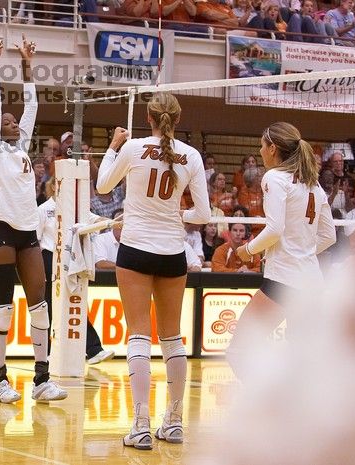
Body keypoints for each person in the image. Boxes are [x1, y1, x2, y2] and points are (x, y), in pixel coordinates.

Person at [96, 92, 210, 449]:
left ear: (148, 118)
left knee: (139, 335)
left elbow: (102, 187)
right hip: (173, 252)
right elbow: (203, 216)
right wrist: (179, 215)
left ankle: (141, 424)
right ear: (176, 119)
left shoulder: (132, 148)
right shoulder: (191, 155)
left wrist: (113, 148)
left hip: (135, 250)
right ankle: (174, 422)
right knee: (172, 338)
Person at [0, 36, 67, 403]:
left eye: (15, 121)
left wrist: (27, 64)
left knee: (40, 305)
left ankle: (41, 380)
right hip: (2, 234)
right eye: (7, 121)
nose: (13, 122)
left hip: (29, 236)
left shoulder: (20, 149)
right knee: (3, 307)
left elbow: (31, 104)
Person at [227, 122, 336, 379]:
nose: (260, 151)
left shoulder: (274, 178)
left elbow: (275, 229)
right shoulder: (314, 185)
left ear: (272, 148)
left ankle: (267, 410)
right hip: (312, 282)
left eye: (261, 146)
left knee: (240, 351)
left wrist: (248, 250)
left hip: (284, 281)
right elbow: (329, 236)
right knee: (302, 359)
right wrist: (302, 251)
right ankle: (301, 415)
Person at [37, 178, 115, 364]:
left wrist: (114, 222)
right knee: (48, 304)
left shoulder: (75, 208)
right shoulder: (43, 209)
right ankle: (47, 353)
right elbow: (36, 238)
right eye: (60, 184)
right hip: (48, 258)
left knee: (74, 301)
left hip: (71, 259)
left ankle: (93, 349)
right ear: (54, 186)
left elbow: (95, 219)